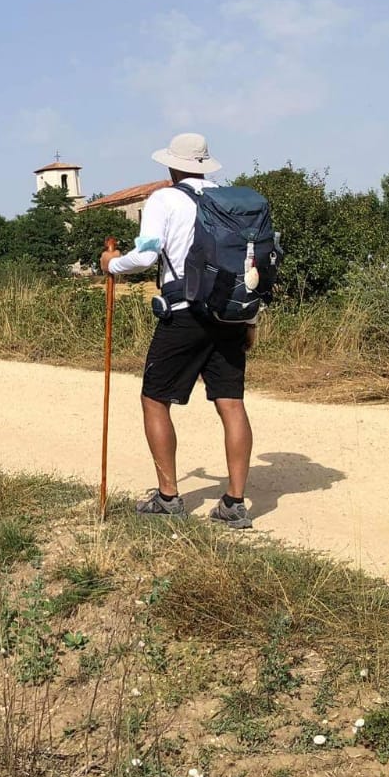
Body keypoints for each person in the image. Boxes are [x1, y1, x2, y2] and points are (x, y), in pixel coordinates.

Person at [99, 133, 255, 529]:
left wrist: (112, 264)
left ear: (172, 165)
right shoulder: (229, 201)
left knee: (155, 399)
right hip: (230, 314)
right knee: (231, 403)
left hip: (185, 313)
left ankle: (168, 498)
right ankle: (235, 504)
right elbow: (248, 265)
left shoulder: (164, 199)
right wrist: (250, 320)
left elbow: (147, 254)